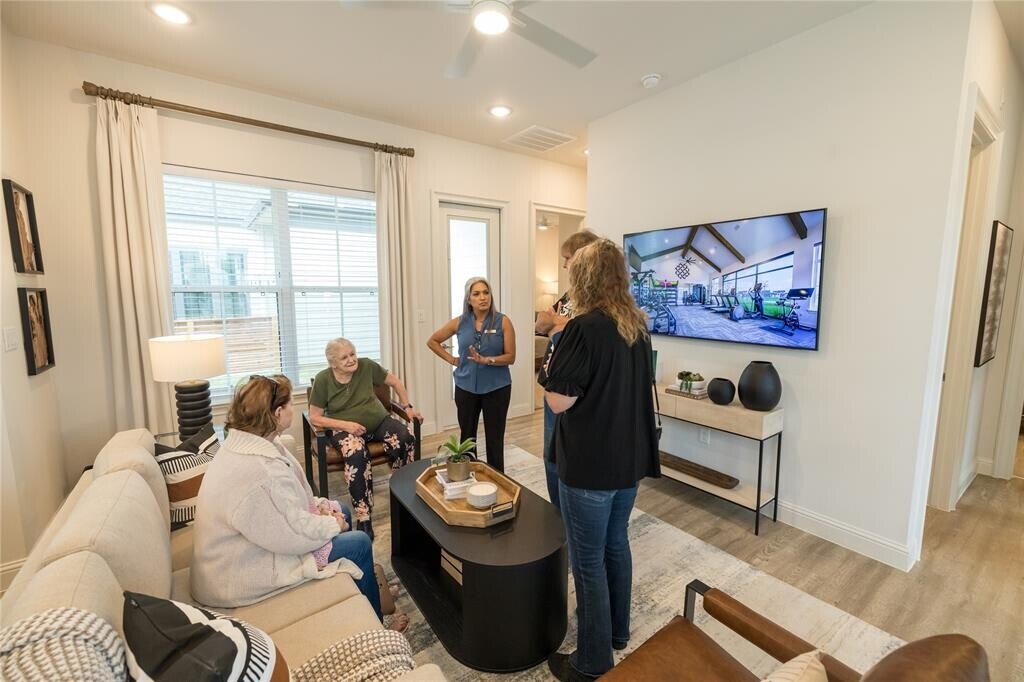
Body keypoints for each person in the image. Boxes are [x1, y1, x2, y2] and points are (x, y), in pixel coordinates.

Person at [191, 374, 408, 631]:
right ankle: (377, 627)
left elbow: (287, 503)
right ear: (277, 413)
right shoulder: (260, 471)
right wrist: (332, 524)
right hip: (238, 572)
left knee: (342, 509)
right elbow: (290, 533)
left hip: (257, 541)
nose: (293, 409)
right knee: (359, 543)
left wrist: (322, 508)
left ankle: (367, 590)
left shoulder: (257, 444)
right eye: (290, 404)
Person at [541, 239, 661, 681]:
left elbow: (558, 401)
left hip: (590, 464)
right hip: (628, 461)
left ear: (584, 279)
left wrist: (554, 347)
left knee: (587, 561)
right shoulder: (638, 326)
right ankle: (617, 632)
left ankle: (591, 662)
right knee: (616, 544)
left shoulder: (582, 328)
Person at [308, 338, 422, 540]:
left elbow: (395, 382)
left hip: (378, 422)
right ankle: (364, 516)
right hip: (344, 429)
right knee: (356, 454)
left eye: (352, 354)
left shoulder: (367, 366)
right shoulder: (323, 379)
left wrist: (407, 407)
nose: (352, 359)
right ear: (333, 363)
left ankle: (400, 490)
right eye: (344, 357)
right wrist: (347, 425)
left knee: (405, 436)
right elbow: (315, 417)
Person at [535, 229, 600, 512]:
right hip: (553, 385)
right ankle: (557, 514)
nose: (564, 265)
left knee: (569, 458)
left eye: (567, 258)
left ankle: (569, 516)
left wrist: (559, 326)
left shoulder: (596, 305)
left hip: (574, 393)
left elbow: (576, 337)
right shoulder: (569, 296)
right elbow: (541, 325)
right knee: (550, 455)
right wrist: (552, 324)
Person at [427, 277, 516, 472]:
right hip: (465, 388)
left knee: (495, 439)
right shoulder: (459, 322)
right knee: (467, 439)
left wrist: (488, 360)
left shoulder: (503, 321)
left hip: (497, 388)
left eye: (486, 292)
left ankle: (497, 480)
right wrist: (452, 360)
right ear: (469, 299)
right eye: (476, 294)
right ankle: (467, 478)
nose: (483, 297)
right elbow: (432, 341)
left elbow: (511, 357)